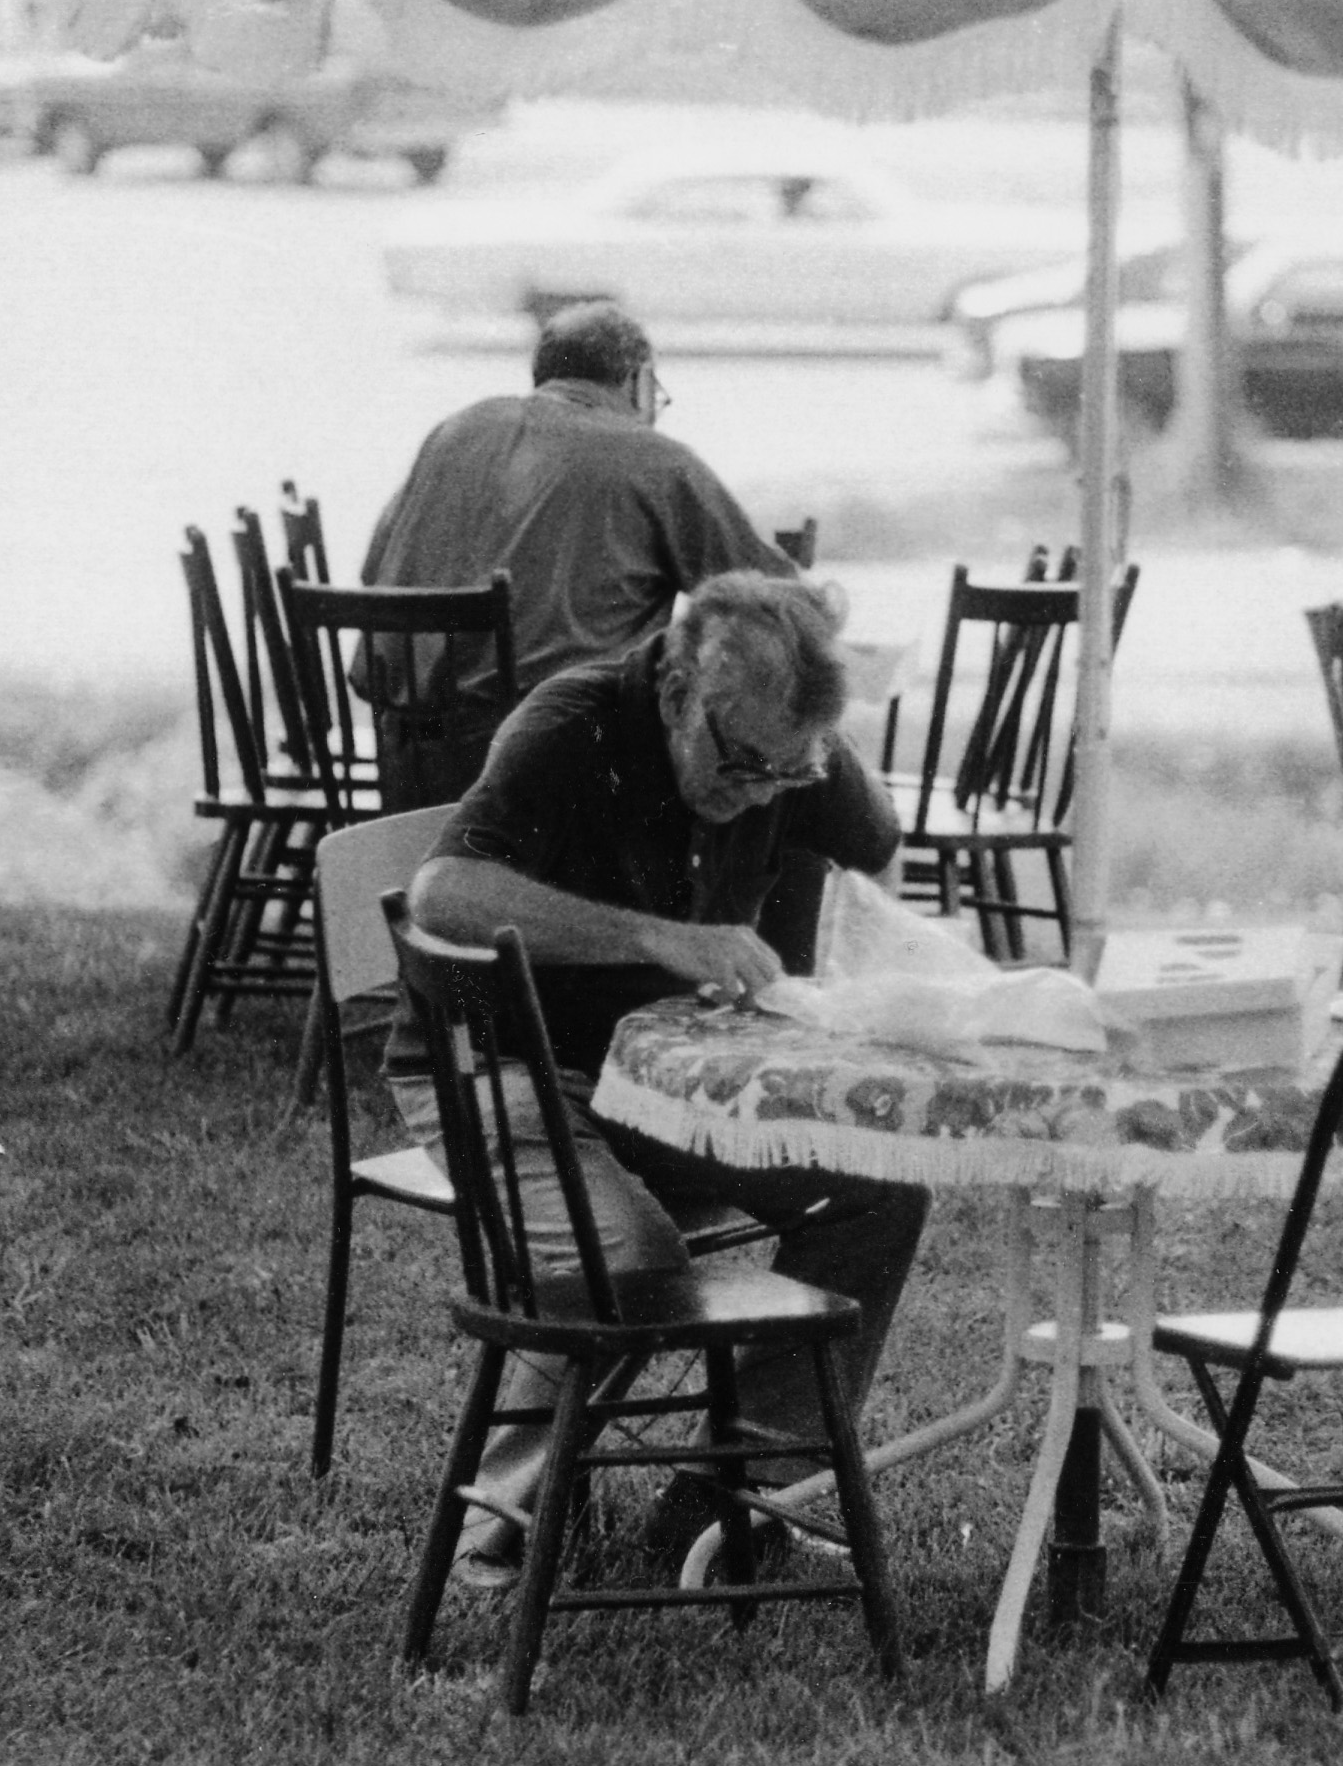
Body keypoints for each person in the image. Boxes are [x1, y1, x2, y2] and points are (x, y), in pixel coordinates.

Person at [383, 569, 927, 1582]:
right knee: (626, 1259)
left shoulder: (777, 751)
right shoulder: (571, 724)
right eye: (741, 763)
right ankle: (501, 1522)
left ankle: (735, 1501)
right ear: (678, 691)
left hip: (661, 1077)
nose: (755, 791)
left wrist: (813, 736)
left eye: (782, 773)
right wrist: (653, 936)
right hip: (506, 1061)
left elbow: (877, 837)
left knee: (878, 1187)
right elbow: (444, 892)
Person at [358, 299, 802, 809]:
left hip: (411, 763)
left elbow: (374, 570)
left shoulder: (454, 431)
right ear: (639, 381)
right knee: (747, 768)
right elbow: (773, 599)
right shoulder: (653, 461)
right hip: (555, 775)